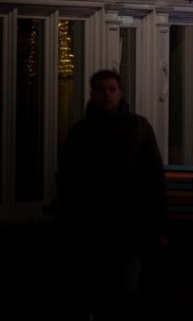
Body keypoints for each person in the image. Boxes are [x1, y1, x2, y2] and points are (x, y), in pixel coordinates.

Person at [57, 69, 167, 320]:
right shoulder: (80, 133)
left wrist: (159, 226)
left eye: (111, 89)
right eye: (101, 90)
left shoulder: (138, 128)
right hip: (93, 228)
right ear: (92, 93)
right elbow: (69, 183)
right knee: (99, 293)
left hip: (129, 227)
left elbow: (155, 179)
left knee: (125, 293)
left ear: (120, 92)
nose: (106, 95)